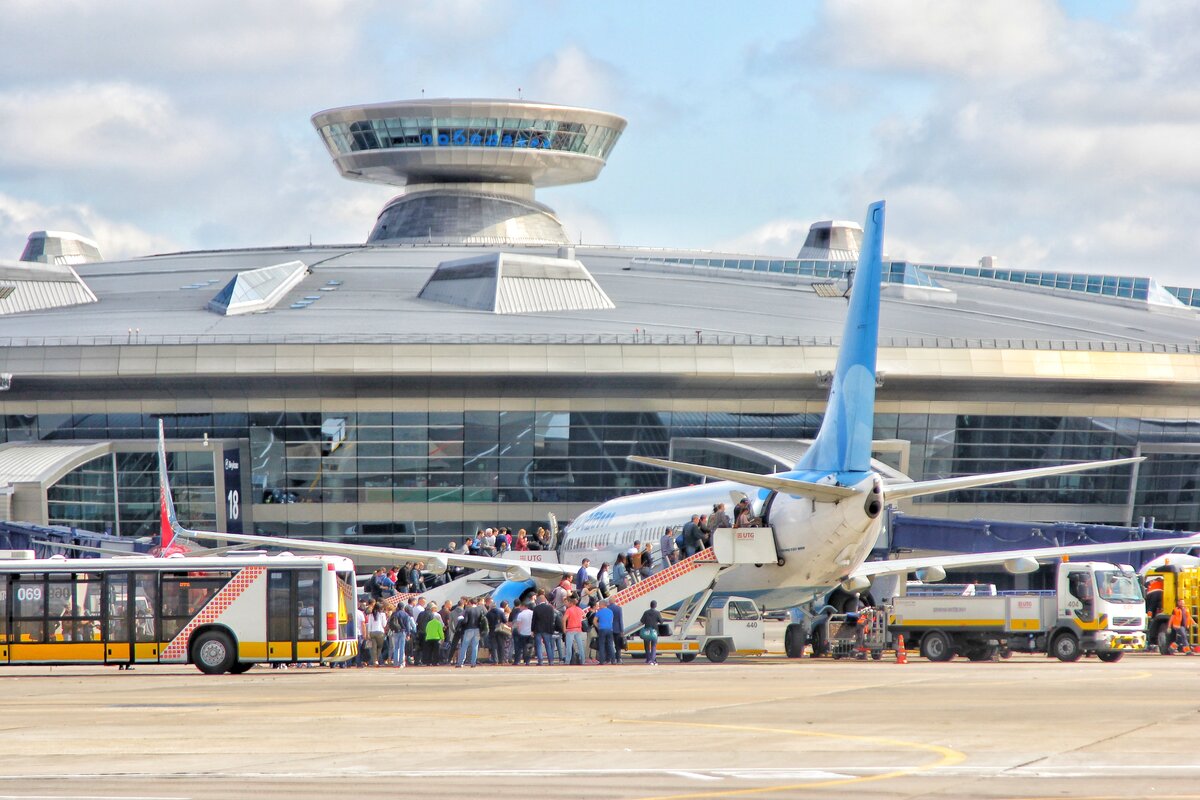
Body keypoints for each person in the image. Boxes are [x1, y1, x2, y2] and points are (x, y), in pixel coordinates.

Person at [455, 597, 488, 668]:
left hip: (469, 629)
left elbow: (465, 621)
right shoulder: (480, 609)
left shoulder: (468, 610)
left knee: (464, 646)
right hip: (477, 630)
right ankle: (473, 663)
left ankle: (460, 663)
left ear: (470, 603)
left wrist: (461, 620)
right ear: (476, 603)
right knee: (475, 647)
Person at [532, 593, 557, 666]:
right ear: (545, 600)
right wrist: (552, 629)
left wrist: (532, 630)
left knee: (539, 645)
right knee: (548, 645)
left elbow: (534, 620)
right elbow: (552, 620)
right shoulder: (550, 608)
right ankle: (551, 661)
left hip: (538, 629)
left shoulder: (536, 608)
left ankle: (540, 661)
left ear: (539, 601)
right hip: (547, 629)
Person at [563, 596, 587, 665]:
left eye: (567, 603)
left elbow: (564, 619)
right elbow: (583, 617)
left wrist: (564, 628)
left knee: (569, 646)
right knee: (580, 646)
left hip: (570, 629)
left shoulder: (569, 610)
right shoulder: (579, 609)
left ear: (570, 603)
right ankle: (582, 660)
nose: (566, 604)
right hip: (578, 629)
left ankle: (567, 661)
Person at [640, 600, 664, 665]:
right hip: (654, 631)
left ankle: (648, 659)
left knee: (647, 646)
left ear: (650, 605)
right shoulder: (657, 613)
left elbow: (642, 621)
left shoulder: (646, 612)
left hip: (647, 631)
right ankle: (653, 660)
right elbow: (661, 622)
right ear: (655, 606)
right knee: (653, 646)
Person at [364, 601, 388, 666]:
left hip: (372, 632)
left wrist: (368, 633)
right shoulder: (382, 614)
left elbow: (369, 625)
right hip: (380, 632)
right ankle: (379, 660)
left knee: (373, 648)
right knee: (379, 648)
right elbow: (384, 624)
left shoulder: (371, 615)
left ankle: (375, 661)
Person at [594, 600, 616, 665]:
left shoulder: (599, 612)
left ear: (602, 605)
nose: (599, 606)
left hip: (602, 629)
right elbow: (611, 620)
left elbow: (594, 621)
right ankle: (613, 660)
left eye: (600, 605)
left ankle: (602, 661)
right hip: (610, 629)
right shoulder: (611, 611)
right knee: (610, 645)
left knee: (601, 645)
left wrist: (598, 626)